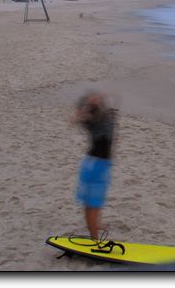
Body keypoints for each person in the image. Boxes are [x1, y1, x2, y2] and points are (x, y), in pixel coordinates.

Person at [72, 91, 116, 241]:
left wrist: (91, 103)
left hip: (92, 163)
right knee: (93, 205)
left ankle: (95, 226)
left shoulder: (101, 119)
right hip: (97, 166)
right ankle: (95, 239)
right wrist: (91, 103)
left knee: (93, 203)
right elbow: (80, 114)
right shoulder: (100, 120)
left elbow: (79, 114)